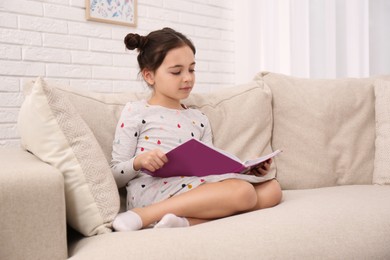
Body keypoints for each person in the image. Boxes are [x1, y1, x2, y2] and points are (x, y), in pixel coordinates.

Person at [110, 27, 282, 231]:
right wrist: (138, 162)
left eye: (191, 69)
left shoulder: (198, 118)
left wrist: (247, 169)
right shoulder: (136, 112)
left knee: (273, 189)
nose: (188, 78)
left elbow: (210, 167)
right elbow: (115, 174)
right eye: (176, 71)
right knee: (244, 192)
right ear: (149, 76)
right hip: (153, 191)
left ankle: (182, 222)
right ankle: (144, 215)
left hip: (196, 187)